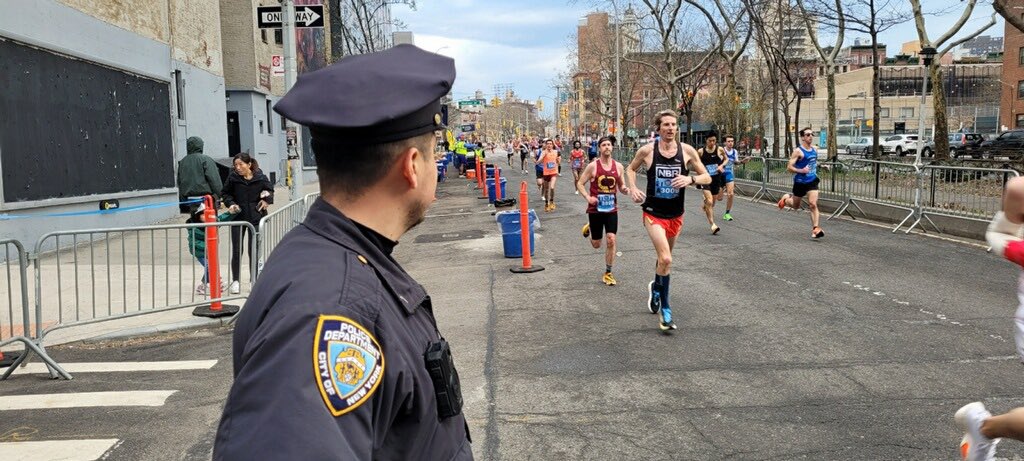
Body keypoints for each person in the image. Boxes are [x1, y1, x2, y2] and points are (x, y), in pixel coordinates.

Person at [213, 45, 472, 460]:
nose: (436, 163)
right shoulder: (331, 308)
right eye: (432, 151)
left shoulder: (337, 258)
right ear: (411, 165)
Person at [625, 110, 711, 332]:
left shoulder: (687, 151)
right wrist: (633, 188)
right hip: (653, 213)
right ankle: (666, 310)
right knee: (666, 258)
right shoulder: (647, 151)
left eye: (674, 124)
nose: (671, 128)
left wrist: (690, 179)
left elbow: (707, 177)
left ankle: (656, 287)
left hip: (676, 214)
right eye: (666, 125)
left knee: (665, 260)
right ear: (658, 128)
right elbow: (630, 169)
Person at [576, 136, 629, 286]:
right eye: (604, 145)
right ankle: (590, 227)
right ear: (599, 148)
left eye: (609, 145)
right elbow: (580, 183)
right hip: (595, 209)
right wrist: (587, 197)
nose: (607, 147)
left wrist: (626, 190)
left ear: (612, 148)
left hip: (611, 209)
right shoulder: (593, 166)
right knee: (596, 244)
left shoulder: (618, 166)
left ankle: (608, 272)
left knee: (611, 239)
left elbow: (621, 186)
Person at [220, 153, 274, 294]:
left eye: (241, 164)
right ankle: (236, 281)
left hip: (255, 218)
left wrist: (266, 200)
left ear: (249, 164)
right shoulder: (233, 178)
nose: (238, 168)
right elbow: (225, 194)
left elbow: (269, 191)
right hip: (238, 217)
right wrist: (230, 204)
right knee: (237, 250)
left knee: (253, 251)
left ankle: (253, 280)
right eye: (235, 165)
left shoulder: (260, 177)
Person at [777, 127, 825, 239]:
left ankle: (816, 229)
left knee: (813, 204)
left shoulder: (815, 149)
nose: (810, 136)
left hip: (812, 180)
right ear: (803, 137)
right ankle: (785, 200)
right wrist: (801, 171)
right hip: (799, 182)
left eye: (812, 134)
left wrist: (822, 166)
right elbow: (789, 167)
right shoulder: (798, 151)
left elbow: (813, 163)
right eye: (807, 135)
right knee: (795, 206)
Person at [185, 202, 236, 295]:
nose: (206, 217)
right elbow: (194, 242)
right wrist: (207, 247)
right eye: (203, 215)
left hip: (210, 251)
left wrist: (231, 212)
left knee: (212, 266)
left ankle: (213, 283)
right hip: (199, 252)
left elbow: (221, 219)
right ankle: (204, 285)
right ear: (197, 217)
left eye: (208, 215)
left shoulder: (211, 222)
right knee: (209, 267)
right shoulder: (193, 228)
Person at [176, 136, 223, 214]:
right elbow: (214, 179)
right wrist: (220, 195)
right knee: (210, 222)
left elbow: (180, 181)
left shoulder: (182, 162)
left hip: (190, 200)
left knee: (196, 221)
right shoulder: (206, 159)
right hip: (206, 199)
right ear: (201, 146)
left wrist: (182, 199)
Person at [696, 133, 725, 235]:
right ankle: (713, 225)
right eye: (710, 141)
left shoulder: (719, 150)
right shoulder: (700, 152)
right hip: (705, 179)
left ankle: (706, 205)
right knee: (709, 201)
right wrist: (701, 173)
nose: (712, 143)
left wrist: (722, 166)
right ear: (706, 141)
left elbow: (726, 159)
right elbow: (696, 163)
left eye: (714, 140)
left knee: (712, 203)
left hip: (716, 179)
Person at [720, 134, 748, 221]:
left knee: (731, 194)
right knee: (719, 198)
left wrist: (742, 162)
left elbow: (735, 162)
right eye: (728, 141)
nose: (730, 143)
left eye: (732, 141)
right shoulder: (721, 151)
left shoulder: (734, 151)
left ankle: (727, 213)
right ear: (725, 142)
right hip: (720, 174)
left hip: (729, 173)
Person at [538, 138, 560, 211]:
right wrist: (538, 161)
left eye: (550, 144)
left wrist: (558, 160)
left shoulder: (556, 152)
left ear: (552, 145)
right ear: (546, 145)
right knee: (546, 190)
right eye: (548, 144)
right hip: (546, 173)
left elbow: (559, 161)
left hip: (553, 172)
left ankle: (552, 201)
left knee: (552, 187)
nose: (549, 145)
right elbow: (540, 159)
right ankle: (546, 203)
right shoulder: (544, 152)